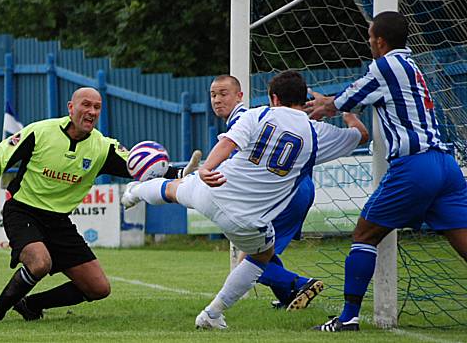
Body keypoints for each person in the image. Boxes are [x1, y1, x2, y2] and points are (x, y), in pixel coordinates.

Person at [122, 70, 368, 329]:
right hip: (246, 217)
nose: (217, 99)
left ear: (273, 98)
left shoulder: (257, 113)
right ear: (305, 99)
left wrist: (207, 168)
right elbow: (361, 135)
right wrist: (344, 110)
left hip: (214, 188)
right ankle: (212, 313)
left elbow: (228, 143)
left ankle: (133, 192)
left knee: (172, 189)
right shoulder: (317, 134)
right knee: (261, 257)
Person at [0, 87, 201, 324]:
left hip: (59, 221)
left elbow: (140, 167)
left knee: (98, 288)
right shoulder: (41, 132)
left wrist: (180, 172)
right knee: (40, 262)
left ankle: (30, 304)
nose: (92, 111)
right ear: (71, 107)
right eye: (86, 104)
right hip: (23, 210)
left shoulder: (102, 147)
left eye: (97, 107)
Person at [307, 11, 467, 332]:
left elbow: (345, 101)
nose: (369, 44)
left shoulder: (384, 66)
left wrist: (321, 106)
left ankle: (348, 317)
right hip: (446, 165)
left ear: (379, 40)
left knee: (365, 234)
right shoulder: (412, 65)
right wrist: (333, 102)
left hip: (416, 165)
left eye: (369, 38)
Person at [211, 74, 321, 311]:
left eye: (223, 94)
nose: (217, 100)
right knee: (262, 250)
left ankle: (300, 283)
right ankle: (288, 297)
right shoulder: (254, 118)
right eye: (213, 95)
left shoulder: (244, 118)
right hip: (296, 187)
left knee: (249, 261)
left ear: (239, 96)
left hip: (284, 191)